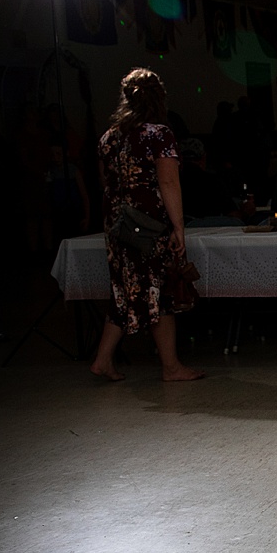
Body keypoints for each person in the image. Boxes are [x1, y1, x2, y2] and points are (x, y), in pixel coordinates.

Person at [89, 69, 205, 385]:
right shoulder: (158, 134)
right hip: (149, 224)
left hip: (117, 223)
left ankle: (102, 360)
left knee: (124, 291)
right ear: (158, 98)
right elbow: (168, 180)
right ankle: (171, 367)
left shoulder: (108, 137)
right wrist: (179, 228)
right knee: (158, 291)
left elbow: (105, 181)